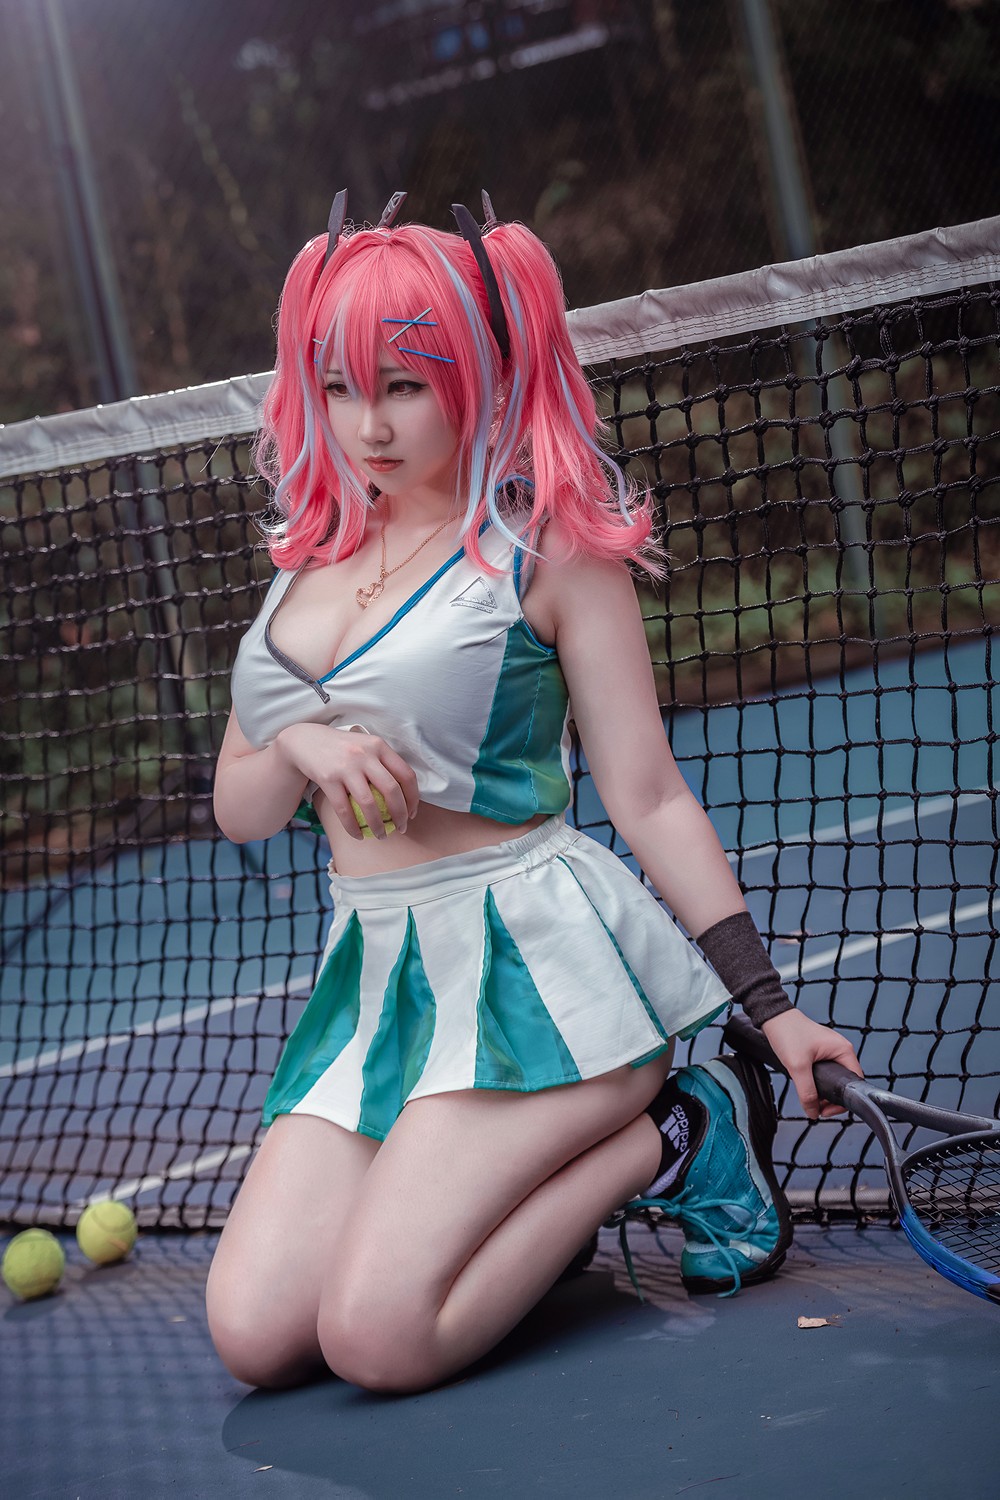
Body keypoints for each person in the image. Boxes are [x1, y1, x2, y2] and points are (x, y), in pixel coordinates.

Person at [206, 191, 862, 1394]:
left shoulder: (544, 552)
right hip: (379, 986)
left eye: (403, 385)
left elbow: (648, 795)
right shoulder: (302, 569)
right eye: (340, 387)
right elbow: (241, 807)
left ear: (473, 376)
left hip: (540, 978)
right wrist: (301, 743)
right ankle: (544, 1198)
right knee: (255, 1332)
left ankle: (682, 1129)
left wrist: (770, 1011)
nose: (368, 425)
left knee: (377, 1338)